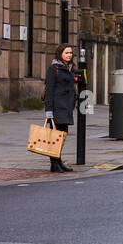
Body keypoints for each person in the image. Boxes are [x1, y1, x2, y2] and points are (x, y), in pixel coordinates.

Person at [44, 45, 79, 173]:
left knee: (62, 136)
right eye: (66, 53)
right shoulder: (54, 69)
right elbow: (49, 91)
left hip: (66, 108)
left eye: (70, 53)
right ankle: (54, 164)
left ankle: (58, 161)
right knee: (55, 137)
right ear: (60, 54)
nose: (69, 55)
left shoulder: (69, 68)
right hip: (56, 107)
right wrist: (49, 111)